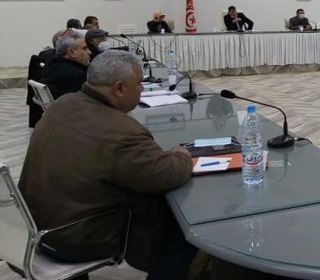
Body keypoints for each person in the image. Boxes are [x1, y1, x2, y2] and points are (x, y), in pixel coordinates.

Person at [19, 50, 196, 279]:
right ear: (119, 88)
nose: (142, 90)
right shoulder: (122, 132)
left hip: (33, 226)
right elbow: (166, 174)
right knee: (182, 227)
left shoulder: (63, 103)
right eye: (139, 84)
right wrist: (181, 156)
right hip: (72, 237)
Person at [41, 31, 91, 99]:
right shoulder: (77, 75)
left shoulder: (51, 66)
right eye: (84, 48)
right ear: (71, 52)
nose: (89, 52)